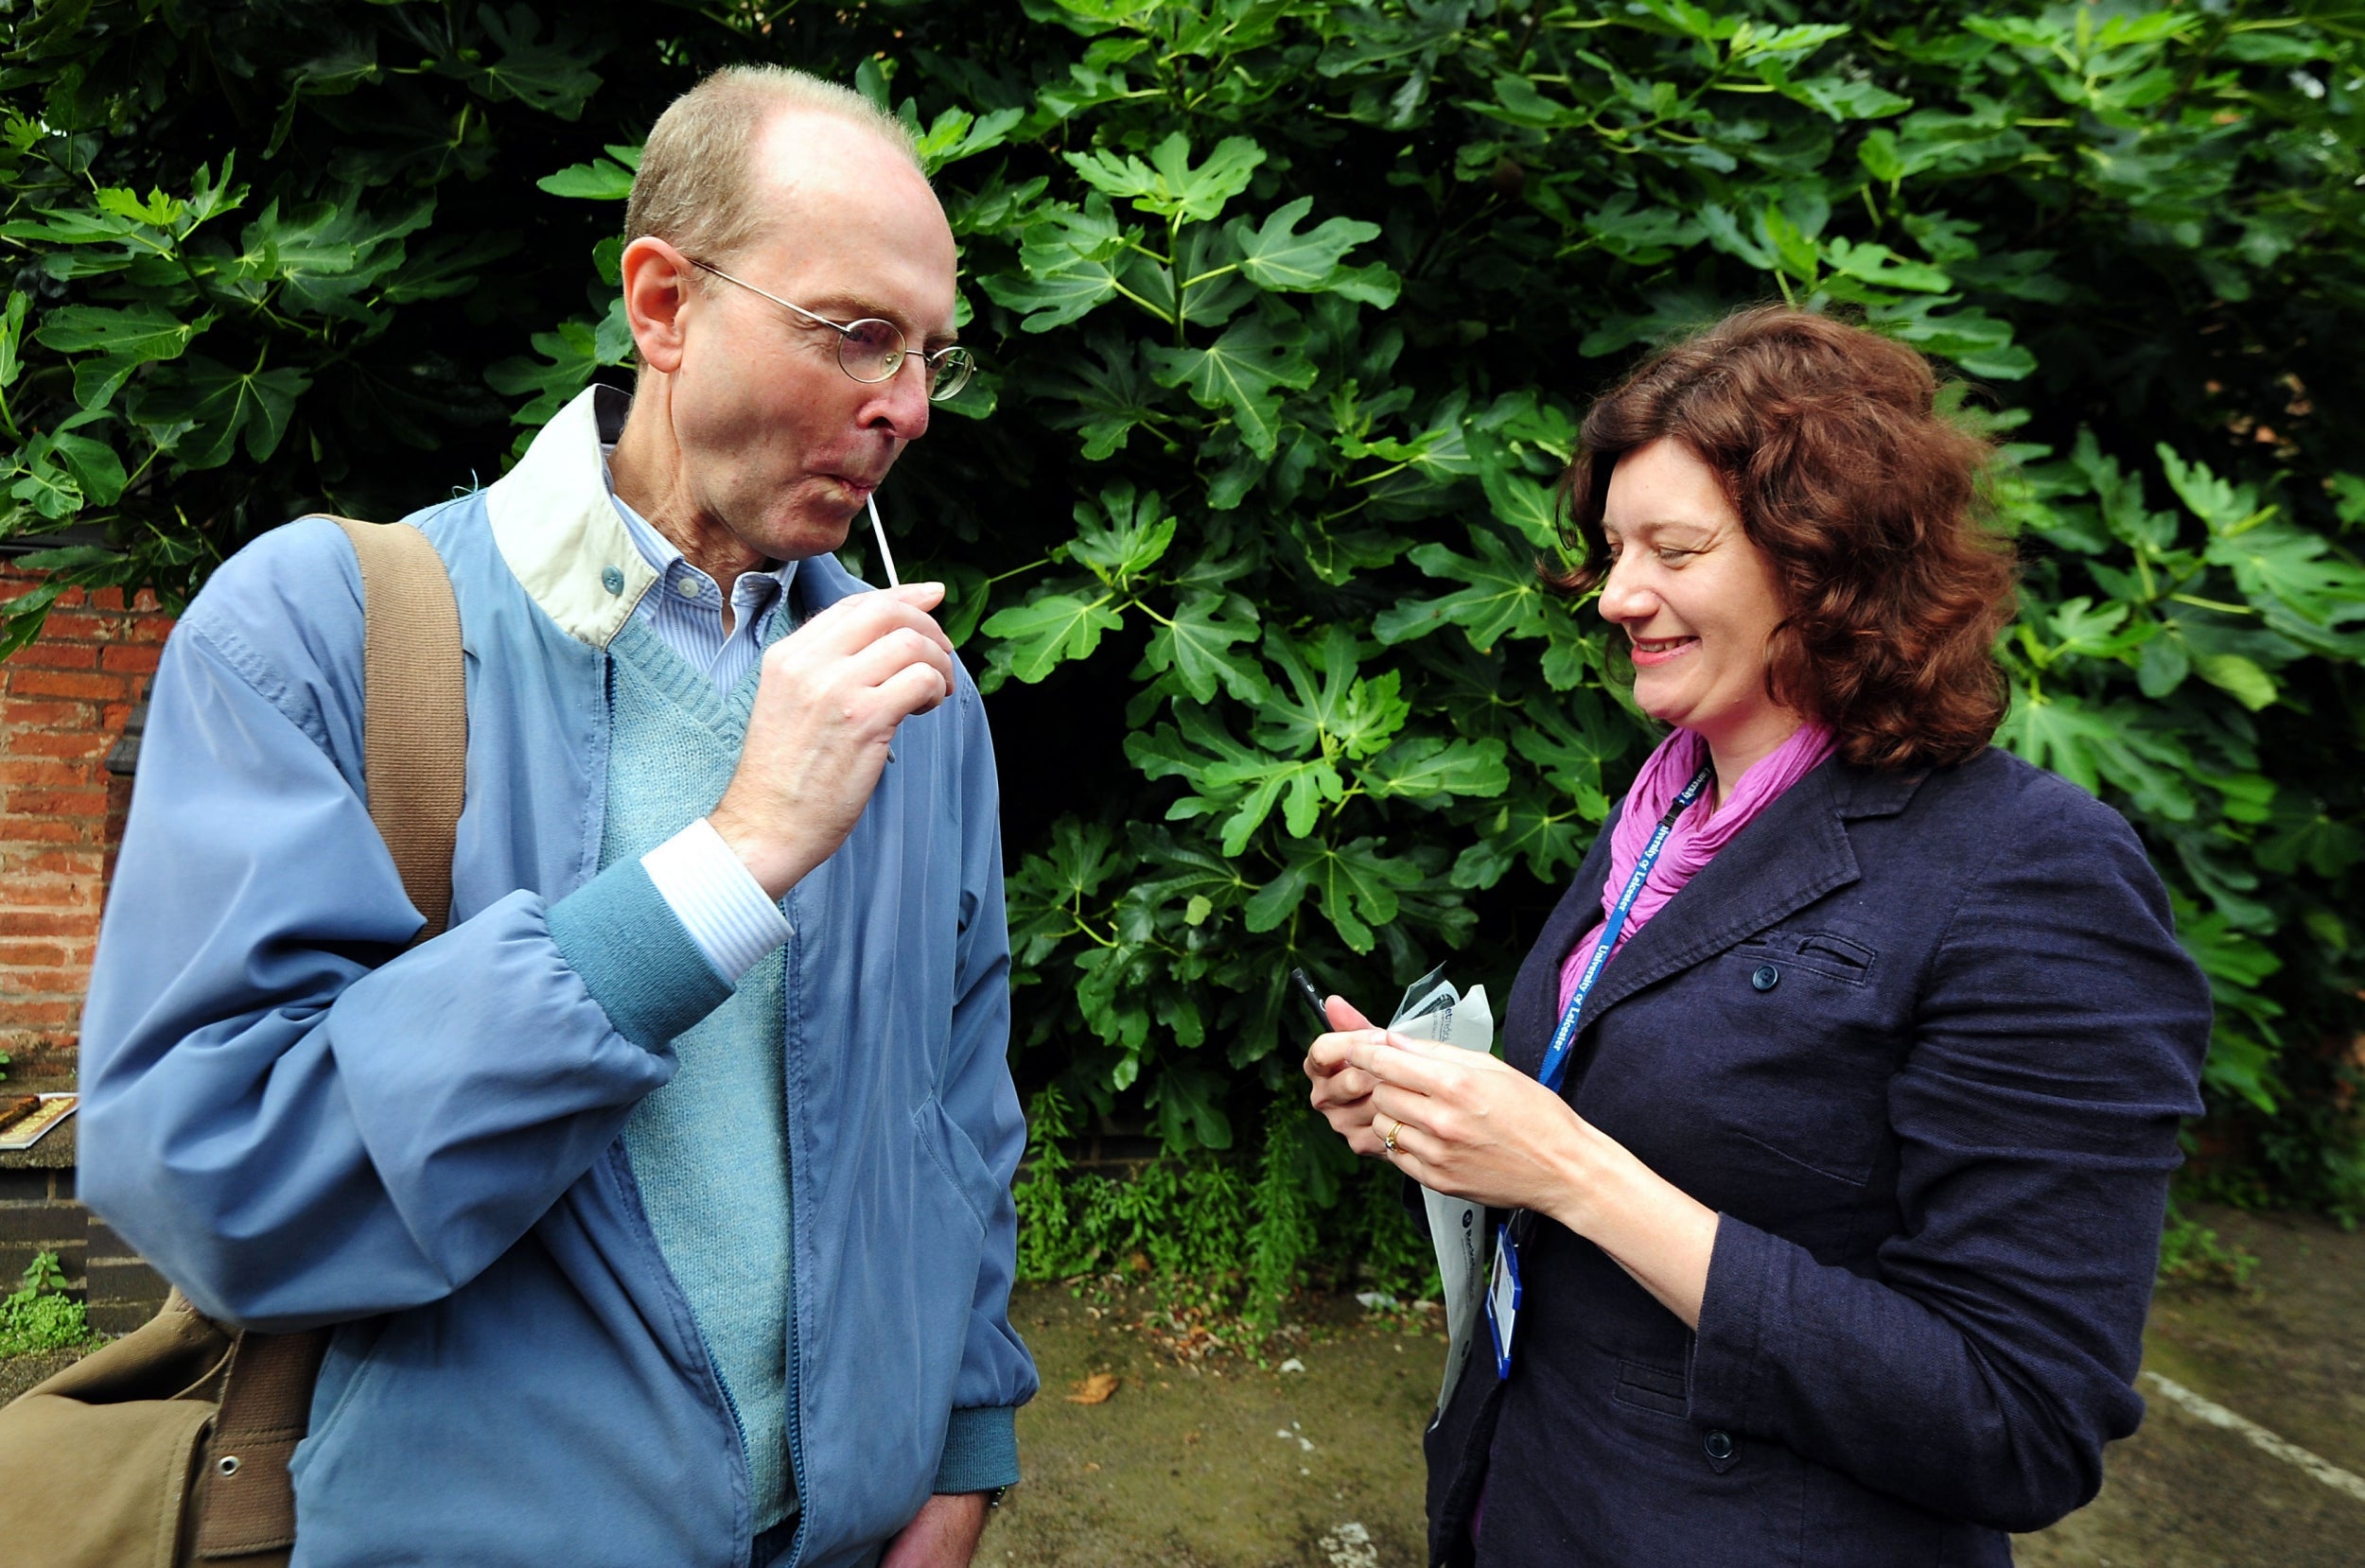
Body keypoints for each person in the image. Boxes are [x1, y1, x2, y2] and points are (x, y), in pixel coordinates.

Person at [79, 66, 1034, 1568]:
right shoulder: (319, 630)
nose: (906, 407)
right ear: (662, 304)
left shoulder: (925, 709)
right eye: (857, 335)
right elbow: (210, 1175)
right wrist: (725, 866)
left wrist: (964, 1452)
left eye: (929, 356)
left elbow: (961, 1113)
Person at [1304, 306, 2211, 1566]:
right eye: (1614, 546)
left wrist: (1571, 1167)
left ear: (1826, 558)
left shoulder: (2033, 872)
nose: (1617, 593)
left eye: (1673, 548)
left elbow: (2019, 1416)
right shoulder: (1669, 799)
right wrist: (1450, 1116)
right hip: (1533, 1501)